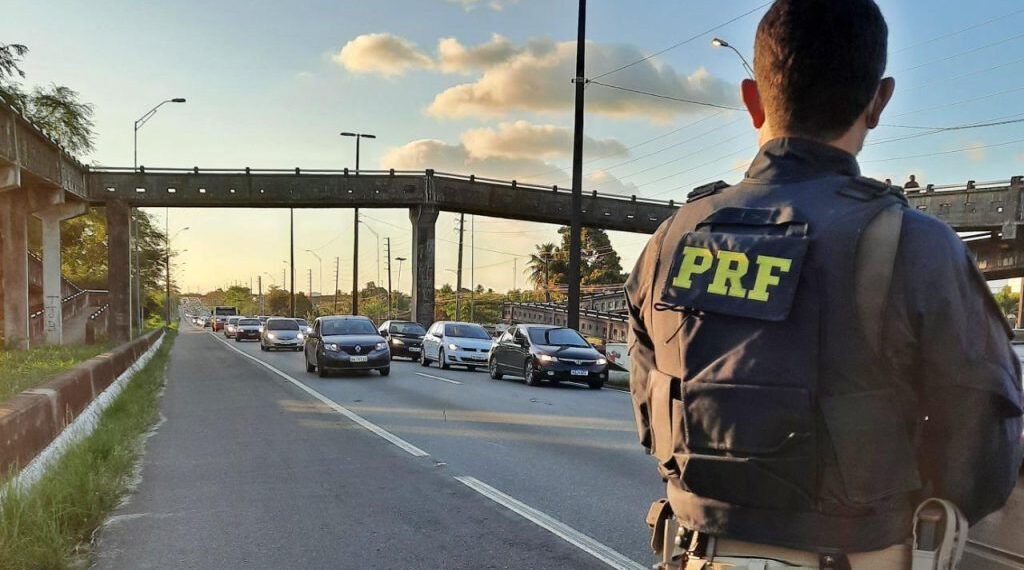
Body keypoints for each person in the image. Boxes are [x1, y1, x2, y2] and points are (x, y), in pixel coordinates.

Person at [626, 1, 1023, 569]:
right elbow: (982, 459)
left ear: (751, 99)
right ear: (879, 100)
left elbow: (651, 420)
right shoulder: (915, 247)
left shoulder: (672, 240)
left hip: (695, 554)